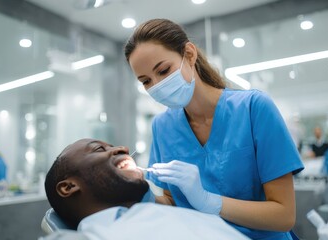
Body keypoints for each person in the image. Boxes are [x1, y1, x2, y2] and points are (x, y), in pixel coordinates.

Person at [124, 18, 304, 239]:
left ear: (189, 54)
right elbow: (172, 201)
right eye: (146, 81)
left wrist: (210, 202)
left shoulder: (253, 108)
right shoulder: (162, 127)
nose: (157, 86)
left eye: (163, 70)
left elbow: (284, 215)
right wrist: (144, 195)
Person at [44, 138, 249, 240]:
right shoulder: (99, 235)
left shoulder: (151, 215)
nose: (123, 149)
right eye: (99, 149)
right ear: (69, 187)